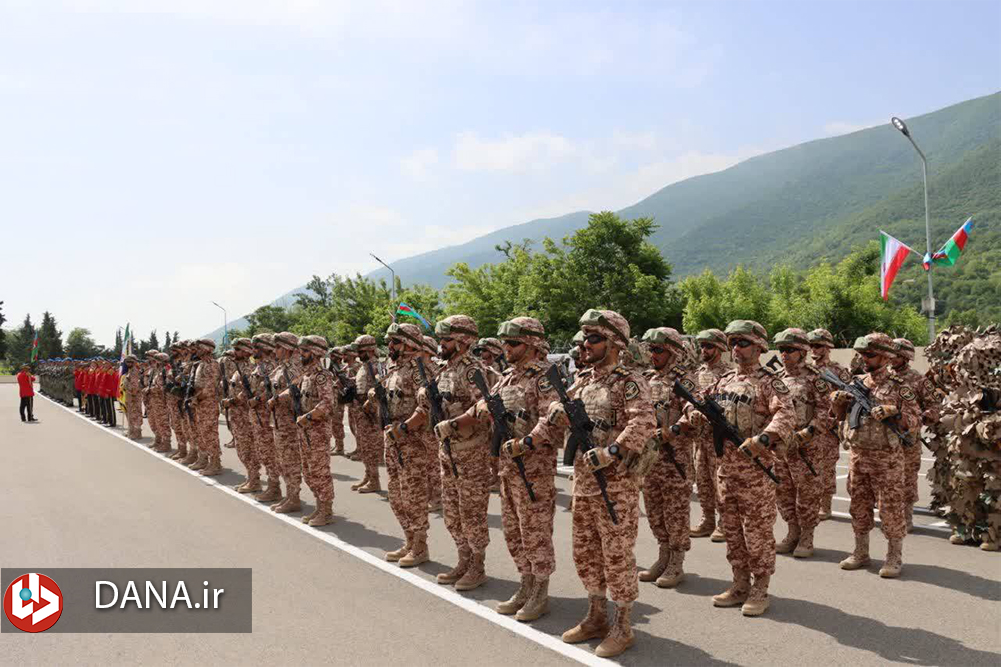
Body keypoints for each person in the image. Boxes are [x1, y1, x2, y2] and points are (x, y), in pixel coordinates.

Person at [526, 309, 656, 658]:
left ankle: (623, 625)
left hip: (616, 485)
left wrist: (612, 451)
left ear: (613, 343)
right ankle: (597, 615)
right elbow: (553, 420)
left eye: (594, 338)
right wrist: (536, 433)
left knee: (617, 555)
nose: (586, 344)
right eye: (584, 337)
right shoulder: (583, 380)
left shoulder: (629, 381)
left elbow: (644, 422)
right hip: (584, 483)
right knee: (585, 552)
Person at [678, 320, 795, 617]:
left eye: (743, 343)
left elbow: (785, 413)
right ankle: (740, 583)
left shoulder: (769, 381)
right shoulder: (725, 380)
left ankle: (760, 588)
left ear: (759, 346)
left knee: (757, 534)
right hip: (726, 471)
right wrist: (694, 412)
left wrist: (764, 438)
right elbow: (699, 406)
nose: (737, 349)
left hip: (755, 473)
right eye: (733, 343)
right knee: (732, 532)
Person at [449, 317, 557, 620]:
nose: (506, 348)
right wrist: (469, 415)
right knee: (514, 533)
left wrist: (525, 443)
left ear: (532, 344)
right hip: (509, 471)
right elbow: (484, 404)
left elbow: (552, 419)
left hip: (533, 469)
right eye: (505, 343)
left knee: (535, 533)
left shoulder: (544, 377)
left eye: (513, 343)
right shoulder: (507, 376)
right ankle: (525, 583)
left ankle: (540, 590)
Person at [834, 333, 921, 578]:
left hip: (887, 458)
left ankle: (894, 556)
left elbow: (916, 419)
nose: (864, 359)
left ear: (885, 357)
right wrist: (837, 402)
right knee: (858, 506)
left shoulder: (899, 387)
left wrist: (895, 412)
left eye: (870, 354)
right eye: (862, 354)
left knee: (890, 508)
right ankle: (861, 552)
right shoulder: (856, 382)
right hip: (859, 455)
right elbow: (841, 418)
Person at [419, 315, 496, 589]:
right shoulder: (445, 369)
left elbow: (485, 407)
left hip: (470, 453)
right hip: (447, 454)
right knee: (452, 514)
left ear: (463, 341)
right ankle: (463, 560)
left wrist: (453, 424)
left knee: (472, 514)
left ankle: (478, 566)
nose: (442, 344)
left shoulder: (472, 370)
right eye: (441, 339)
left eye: (447, 339)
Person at [638, 327, 694, 588]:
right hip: (650, 461)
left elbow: (695, 412)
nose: (653, 354)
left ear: (672, 351)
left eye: (658, 350)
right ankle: (663, 555)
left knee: (675, 512)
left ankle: (677, 561)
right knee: (654, 510)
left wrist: (671, 431)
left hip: (675, 460)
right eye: (651, 349)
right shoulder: (646, 379)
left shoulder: (684, 380)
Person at [377, 322, 433, 567]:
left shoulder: (420, 369)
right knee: (397, 496)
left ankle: (420, 546)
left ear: (409, 344)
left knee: (414, 496)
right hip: (394, 440)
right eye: (390, 341)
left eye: (395, 342)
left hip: (413, 442)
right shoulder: (394, 369)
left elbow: (426, 407)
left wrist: (404, 428)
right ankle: (409, 540)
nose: (390, 346)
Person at [773, 328, 830, 558]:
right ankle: (792, 532)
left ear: (802, 352)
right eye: (782, 350)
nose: (784, 354)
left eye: (790, 350)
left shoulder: (815, 378)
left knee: (806, 493)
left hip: (807, 448)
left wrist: (807, 434)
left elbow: (826, 411)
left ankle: (807, 536)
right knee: (783, 492)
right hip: (781, 448)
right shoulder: (775, 378)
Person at [889, 337, 939, 532]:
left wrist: (916, 420)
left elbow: (934, 407)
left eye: (896, 355)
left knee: (907, 479)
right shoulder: (881, 377)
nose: (892, 358)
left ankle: (906, 517)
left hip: (907, 439)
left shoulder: (918, 380)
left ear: (905, 357)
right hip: (882, 439)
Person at [291, 335, 337, 527]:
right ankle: (319, 506)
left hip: (317, 430)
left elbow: (327, 403)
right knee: (309, 471)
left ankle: (326, 510)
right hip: (305, 430)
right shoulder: (306, 375)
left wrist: (308, 417)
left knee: (320, 471)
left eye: (305, 350)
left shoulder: (321, 376)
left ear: (316, 352)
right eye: (301, 350)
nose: (301, 354)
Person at [690, 328, 731, 540]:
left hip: (718, 437)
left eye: (709, 346)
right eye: (702, 346)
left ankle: (724, 522)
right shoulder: (698, 373)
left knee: (719, 482)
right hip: (700, 437)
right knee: (702, 481)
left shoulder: (727, 373)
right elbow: (690, 401)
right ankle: (707, 519)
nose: (704, 350)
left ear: (720, 348)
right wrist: (692, 413)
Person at [806, 328, 851, 520]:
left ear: (827, 347)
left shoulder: (838, 371)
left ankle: (825, 505)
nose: (814, 350)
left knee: (826, 467)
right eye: (811, 346)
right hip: (808, 424)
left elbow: (851, 396)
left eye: (818, 346)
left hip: (829, 427)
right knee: (808, 466)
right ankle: (811, 503)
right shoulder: (806, 370)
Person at [223, 338, 263, 493]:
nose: (235, 352)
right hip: (237, 415)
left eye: (238, 349)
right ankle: (251, 478)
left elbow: (247, 393)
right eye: (234, 349)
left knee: (248, 449)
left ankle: (254, 480)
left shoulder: (248, 369)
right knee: (242, 449)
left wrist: (231, 401)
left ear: (247, 351)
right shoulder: (238, 368)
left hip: (244, 416)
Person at [352, 335, 384, 494]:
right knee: (364, 447)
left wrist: (370, 404)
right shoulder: (364, 366)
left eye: (361, 351)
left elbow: (381, 387)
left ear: (370, 350)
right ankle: (368, 475)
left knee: (371, 448)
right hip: (361, 412)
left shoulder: (376, 366)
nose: (358, 354)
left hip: (370, 414)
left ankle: (374, 481)